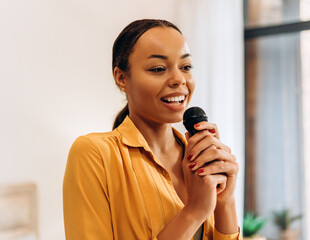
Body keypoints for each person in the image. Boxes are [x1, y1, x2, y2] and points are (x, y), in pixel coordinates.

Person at [63, 19, 241, 240]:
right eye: (158, 69)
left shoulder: (202, 159)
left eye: (185, 67)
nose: (179, 79)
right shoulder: (95, 153)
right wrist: (194, 211)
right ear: (121, 78)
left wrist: (226, 201)